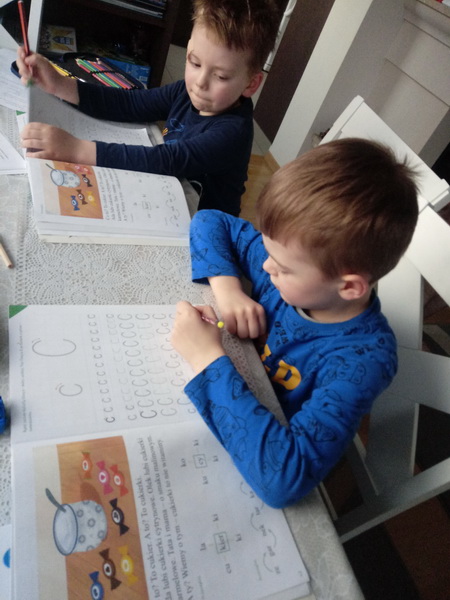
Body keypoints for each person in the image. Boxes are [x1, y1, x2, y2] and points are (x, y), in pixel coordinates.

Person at [171, 138, 419, 508]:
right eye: (269, 251)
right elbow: (210, 221)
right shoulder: (292, 265)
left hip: (256, 448)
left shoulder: (362, 361)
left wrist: (206, 358)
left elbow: (283, 480)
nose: (266, 266)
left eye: (283, 267)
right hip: (234, 399)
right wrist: (229, 291)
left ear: (348, 287)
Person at [16, 0, 280, 216]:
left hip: (206, 230)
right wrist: (59, 84)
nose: (200, 82)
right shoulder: (184, 91)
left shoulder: (233, 132)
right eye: (194, 63)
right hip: (168, 199)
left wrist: (77, 150)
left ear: (251, 84)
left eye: (220, 76)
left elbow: (169, 160)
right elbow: (130, 103)